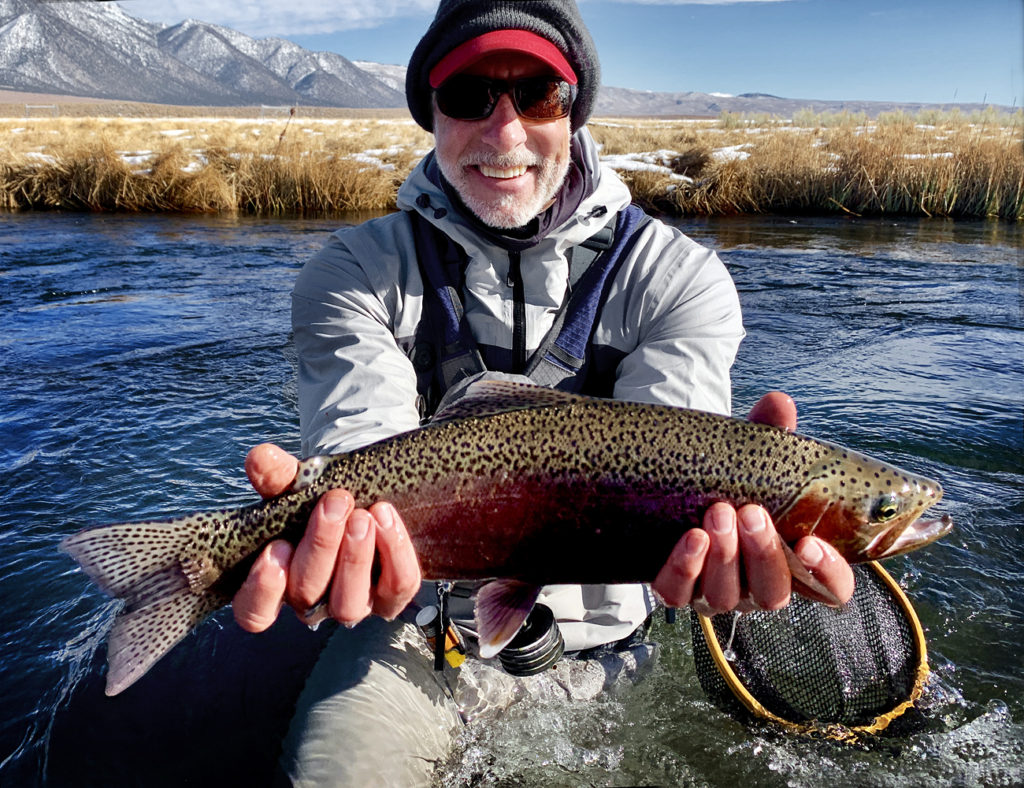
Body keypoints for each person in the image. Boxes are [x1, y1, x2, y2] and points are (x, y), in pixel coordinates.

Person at [232, 0, 855, 783]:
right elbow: (361, 453)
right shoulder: (353, 271)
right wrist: (330, 551)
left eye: (537, 94)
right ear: (430, 109)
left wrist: (736, 541)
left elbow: (671, 463)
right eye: (468, 96)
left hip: (611, 654)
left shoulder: (678, 277)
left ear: (576, 109)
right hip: (410, 635)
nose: (504, 131)